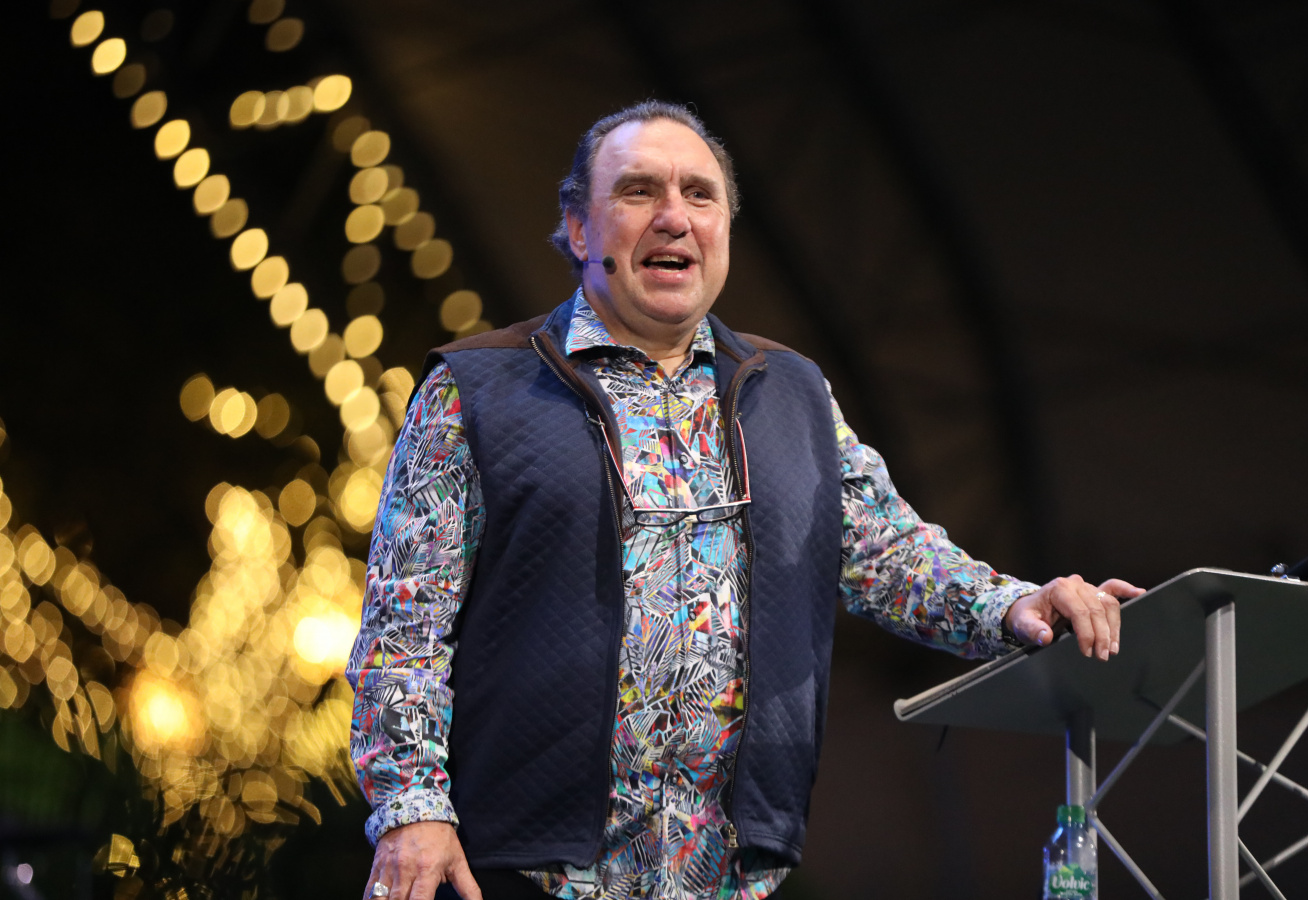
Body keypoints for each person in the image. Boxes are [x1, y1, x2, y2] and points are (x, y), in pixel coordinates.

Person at [347, 101, 1143, 900]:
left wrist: (1015, 606)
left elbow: (889, 555)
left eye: (699, 194)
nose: (674, 216)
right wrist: (412, 809)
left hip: (725, 875)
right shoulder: (479, 390)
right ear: (580, 230)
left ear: (724, 229)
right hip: (524, 865)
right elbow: (402, 633)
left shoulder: (790, 392)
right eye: (638, 191)